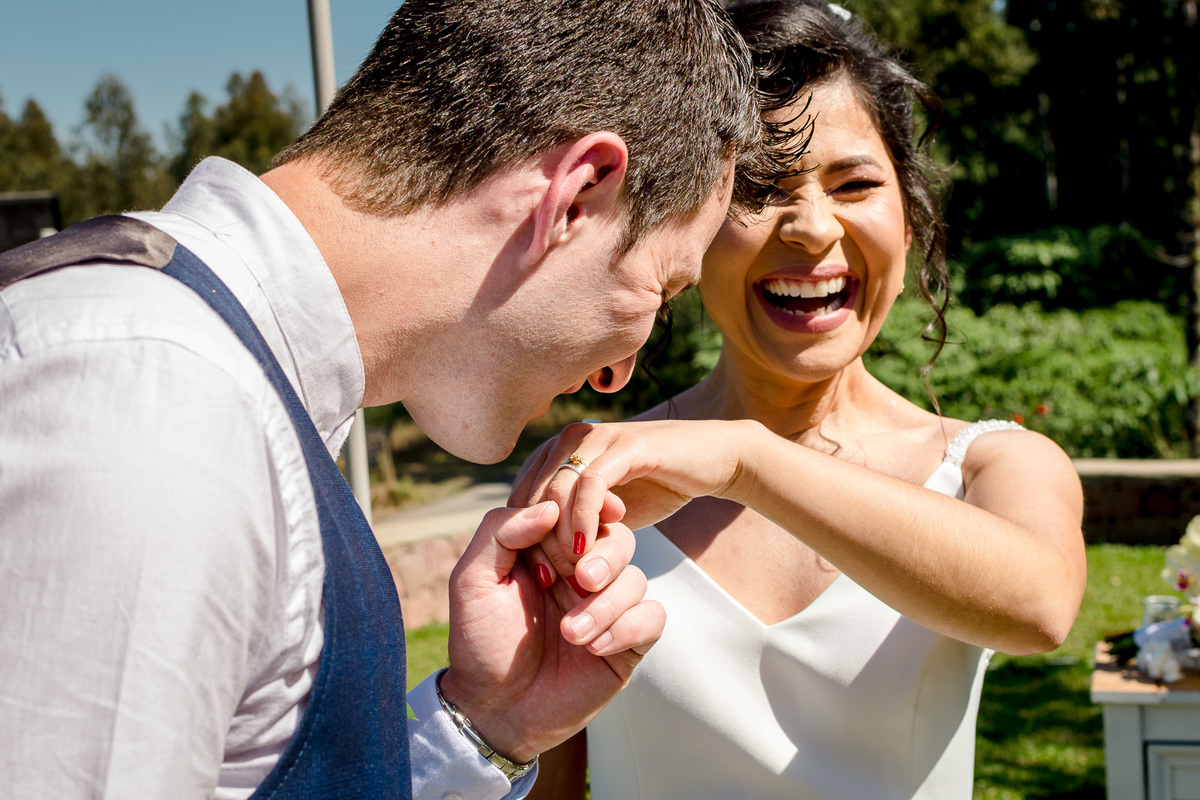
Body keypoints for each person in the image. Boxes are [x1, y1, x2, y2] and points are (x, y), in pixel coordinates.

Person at [0, 1, 799, 798]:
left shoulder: (217, 387)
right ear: (578, 195)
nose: (618, 375)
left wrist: (490, 725)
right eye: (658, 289)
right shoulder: (156, 397)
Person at [511, 2, 1088, 798]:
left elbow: (1041, 604)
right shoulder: (596, 478)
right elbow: (543, 776)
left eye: (854, 183)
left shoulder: (994, 462)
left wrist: (745, 461)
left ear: (911, 219)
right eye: (759, 188)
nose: (813, 229)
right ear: (686, 224)